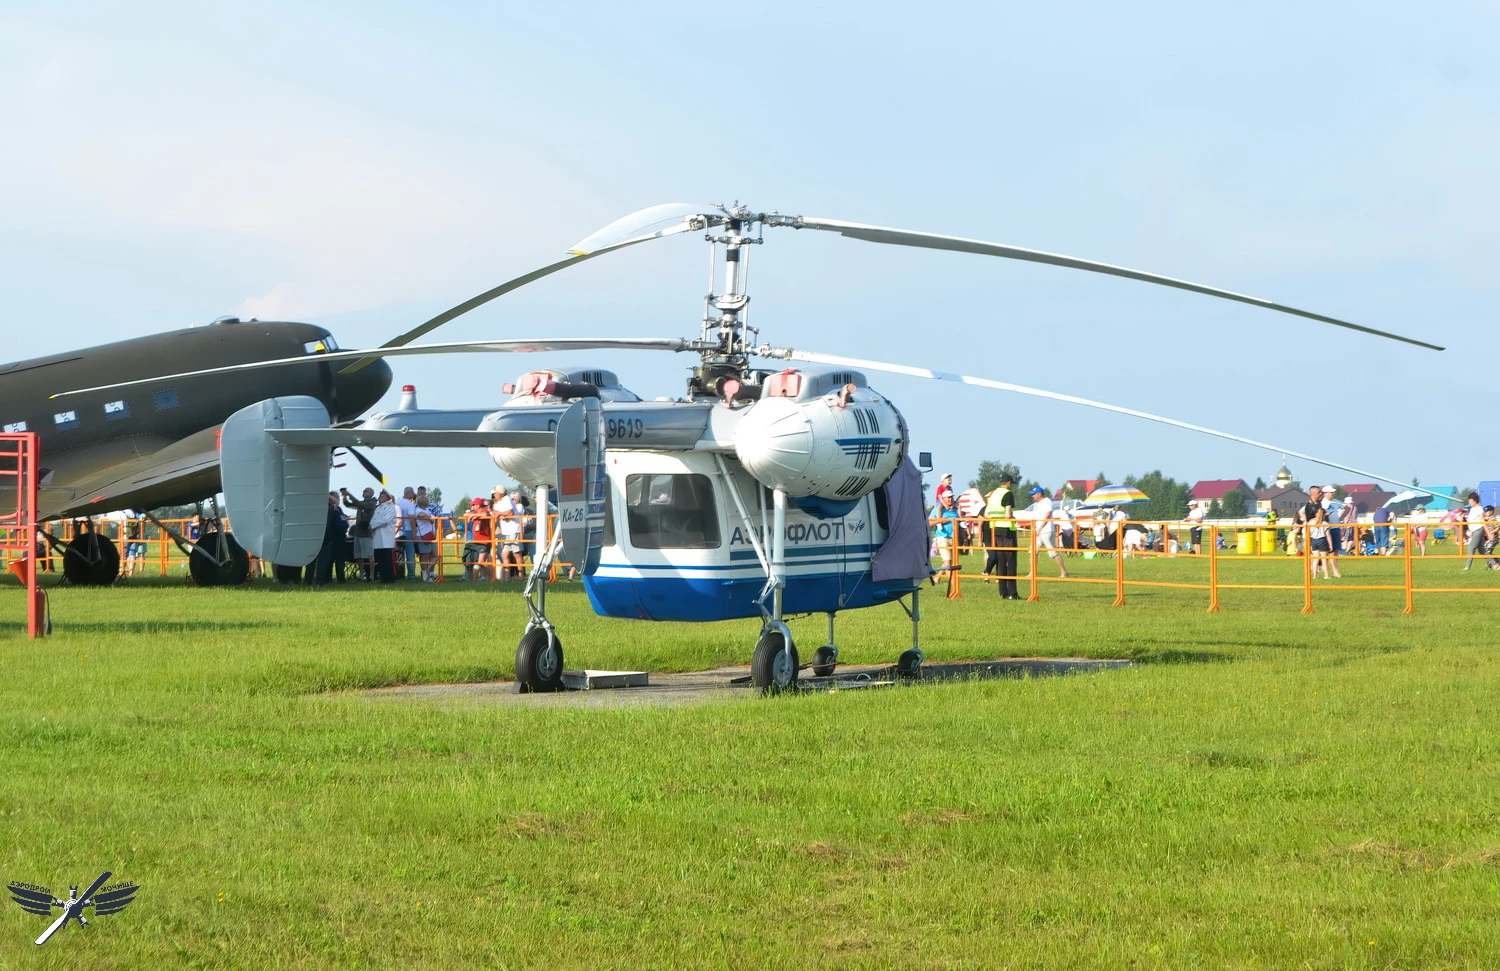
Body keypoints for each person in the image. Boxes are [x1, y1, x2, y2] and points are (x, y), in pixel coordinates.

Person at [983, 473, 1019, 599]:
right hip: (1007, 530)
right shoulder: (1008, 494)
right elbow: (1008, 514)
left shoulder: (993, 494)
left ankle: (1003, 592)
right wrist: (1013, 518)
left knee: (1001, 561)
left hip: (995, 529)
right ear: (1008, 483)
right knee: (1011, 561)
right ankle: (1012, 593)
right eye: (1011, 483)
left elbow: (986, 514)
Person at [1025, 485, 1070, 578]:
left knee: (1053, 552)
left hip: (1047, 531)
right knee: (1033, 551)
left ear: (1039, 494)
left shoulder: (1047, 501)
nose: (1032, 496)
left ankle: (1064, 572)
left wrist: (1040, 528)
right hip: (1038, 531)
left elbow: (1048, 515)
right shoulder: (1037, 504)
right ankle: (1032, 572)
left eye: (1034, 494)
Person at [1295, 485, 1340, 579]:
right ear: (1313, 494)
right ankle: (1313, 573)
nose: (1321, 493)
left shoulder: (1319, 503)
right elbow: (1301, 512)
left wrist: (1325, 514)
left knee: (1322, 554)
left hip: (1321, 532)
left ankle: (1319, 573)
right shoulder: (1309, 506)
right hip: (1313, 534)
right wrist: (1307, 521)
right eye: (1319, 492)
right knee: (1314, 555)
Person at [313, 492, 349, 585]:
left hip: (341, 537)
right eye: (336, 497)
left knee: (340, 560)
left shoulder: (339, 509)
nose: (338, 500)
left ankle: (341, 578)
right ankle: (327, 578)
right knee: (329, 559)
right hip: (332, 537)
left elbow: (342, 519)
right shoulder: (328, 508)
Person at [342, 487, 376, 580]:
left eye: (366, 491)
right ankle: (361, 575)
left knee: (370, 555)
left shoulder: (371, 503)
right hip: (358, 533)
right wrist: (344, 497)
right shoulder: (362, 503)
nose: (363, 492)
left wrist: (349, 494)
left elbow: (359, 504)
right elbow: (349, 505)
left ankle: (372, 575)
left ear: (371, 493)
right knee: (358, 555)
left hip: (367, 534)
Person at [929, 489, 960, 584]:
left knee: (950, 561)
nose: (950, 499)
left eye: (951, 497)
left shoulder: (955, 509)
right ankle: (954, 584)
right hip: (942, 537)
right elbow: (929, 523)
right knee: (948, 561)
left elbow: (961, 520)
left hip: (954, 538)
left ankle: (937, 577)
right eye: (948, 497)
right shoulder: (938, 509)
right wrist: (940, 521)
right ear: (943, 499)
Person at [370, 489, 399, 583]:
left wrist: (373, 525)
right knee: (380, 558)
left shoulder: (391, 507)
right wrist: (371, 525)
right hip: (378, 536)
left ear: (387, 497)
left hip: (386, 536)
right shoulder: (378, 508)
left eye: (382, 496)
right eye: (380, 496)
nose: (380, 498)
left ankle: (390, 578)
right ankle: (383, 577)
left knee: (388, 559)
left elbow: (386, 520)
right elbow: (373, 519)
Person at [463, 498, 494, 581]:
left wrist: (474, 516)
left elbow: (485, 515)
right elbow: (465, 514)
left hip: (485, 541)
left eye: (473, 505)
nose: (472, 506)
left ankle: (492, 578)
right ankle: (474, 579)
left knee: (481, 562)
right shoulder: (474, 512)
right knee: (474, 562)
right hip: (476, 541)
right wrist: (473, 515)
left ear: (478, 505)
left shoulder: (485, 511)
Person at [412, 494, 439, 581]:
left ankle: (427, 571)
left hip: (431, 535)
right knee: (425, 556)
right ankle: (425, 574)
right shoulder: (418, 510)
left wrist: (431, 518)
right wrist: (430, 518)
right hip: (423, 535)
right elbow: (420, 515)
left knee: (435, 555)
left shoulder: (427, 510)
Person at [396, 486, 419, 579]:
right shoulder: (410, 505)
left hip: (399, 531)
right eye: (412, 493)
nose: (413, 495)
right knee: (410, 554)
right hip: (408, 531)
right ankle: (411, 574)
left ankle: (399, 573)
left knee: (399, 553)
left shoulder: (398, 502)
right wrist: (414, 532)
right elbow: (412, 519)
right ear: (409, 493)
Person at [498, 503, 524, 581]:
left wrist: (502, 515)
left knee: (517, 555)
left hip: (514, 532)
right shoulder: (500, 505)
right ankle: (507, 578)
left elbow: (511, 513)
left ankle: (521, 577)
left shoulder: (518, 506)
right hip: (505, 533)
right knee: (505, 555)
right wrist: (501, 514)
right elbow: (496, 514)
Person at [1462, 491, 1486, 570]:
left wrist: (1488, 533)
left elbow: (1483, 521)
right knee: (1482, 551)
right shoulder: (1472, 509)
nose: (1469, 502)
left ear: (1474, 500)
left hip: (1479, 529)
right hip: (1475, 530)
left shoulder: (1479, 509)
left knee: (1471, 548)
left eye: (1470, 500)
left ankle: (1467, 567)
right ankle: (1496, 564)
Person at [122, 510, 146, 577]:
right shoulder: (137, 514)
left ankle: (121, 571)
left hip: (126, 536)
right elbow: (143, 518)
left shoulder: (124, 512)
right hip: (135, 536)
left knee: (125, 555)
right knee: (132, 554)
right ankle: (131, 573)